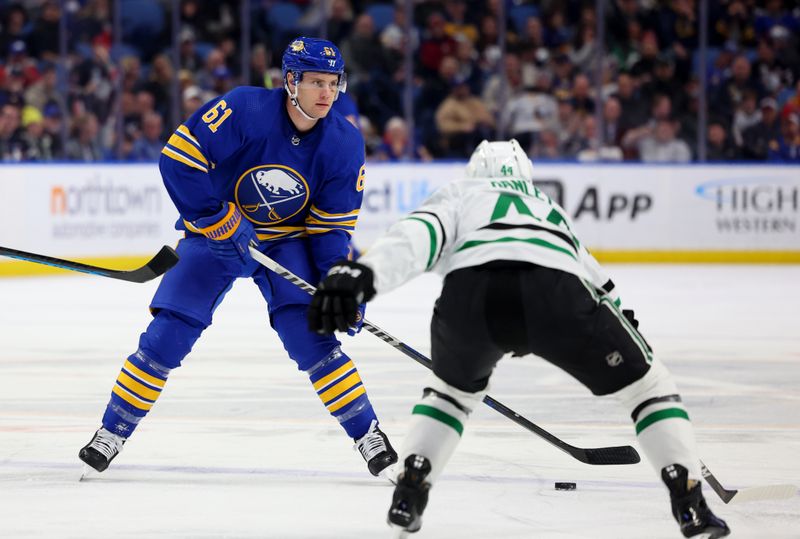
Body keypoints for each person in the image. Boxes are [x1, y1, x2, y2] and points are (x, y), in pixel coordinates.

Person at [307, 140, 730, 538]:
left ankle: (412, 485)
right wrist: (624, 324)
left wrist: (364, 278)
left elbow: (418, 237)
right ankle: (687, 496)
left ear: (475, 170)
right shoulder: (546, 207)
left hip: (472, 296)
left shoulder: (461, 192)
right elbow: (597, 280)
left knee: (450, 396)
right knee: (648, 389)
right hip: (556, 293)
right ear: (525, 174)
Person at [78, 37, 397, 479]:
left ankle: (368, 434)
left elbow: (330, 231)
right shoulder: (245, 109)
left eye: (333, 83)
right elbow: (178, 158)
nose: (327, 93)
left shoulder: (343, 142)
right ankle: (111, 432)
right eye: (316, 82)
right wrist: (212, 215)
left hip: (288, 243)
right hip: (219, 234)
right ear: (290, 81)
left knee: (313, 340)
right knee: (170, 331)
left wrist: (338, 285)